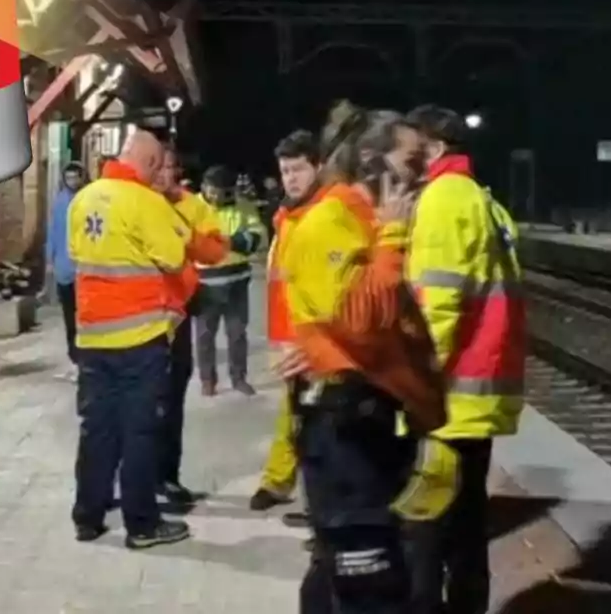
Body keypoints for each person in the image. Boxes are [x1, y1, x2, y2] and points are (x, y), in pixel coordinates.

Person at [278, 101, 457, 614]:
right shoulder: (332, 223)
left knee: (351, 573)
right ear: (372, 163)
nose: (422, 176)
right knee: (370, 586)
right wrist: (393, 238)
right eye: (411, 162)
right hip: (345, 434)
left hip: (371, 426)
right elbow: (360, 321)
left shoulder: (358, 224)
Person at [404, 104, 528, 614]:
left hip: (446, 400)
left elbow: (440, 304)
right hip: (476, 395)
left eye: (411, 149)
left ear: (432, 148)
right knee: (466, 531)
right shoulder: (484, 200)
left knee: (424, 534)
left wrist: (411, 382)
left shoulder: (443, 200)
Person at [68, 128, 193, 550]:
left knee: (96, 429)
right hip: (140, 339)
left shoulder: (84, 198)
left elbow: (75, 254)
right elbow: (174, 257)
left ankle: (88, 516)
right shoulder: (146, 202)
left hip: (92, 340)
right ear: (153, 164)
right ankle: (142, 525)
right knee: (140, 431)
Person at [250, 130, 323, 515]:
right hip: (291, 337)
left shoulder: (321, 216)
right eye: (285, 171)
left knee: (314, 421)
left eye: (298, 169)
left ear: (319, 167)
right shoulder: (287, 216)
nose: (291, 178)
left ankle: (317, 504)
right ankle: (280, 481)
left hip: (315, 341)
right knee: (294, 412)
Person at [153, 145, 229, 507]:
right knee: (144, 405)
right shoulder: (137, 202)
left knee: (172, 402)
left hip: (178, 317)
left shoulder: (192, 205)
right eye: (157, 167)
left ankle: (167, 477)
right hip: (143, 318)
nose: (163, 174)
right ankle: (140, 480)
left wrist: (185, 235)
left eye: (169, 167)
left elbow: (217, 249)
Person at [194, 164, 267, 396]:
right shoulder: (191, 208)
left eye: (226, 192)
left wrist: (231, 243)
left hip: (237, 282)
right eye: (216, 191)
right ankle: (208, 380)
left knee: (237, 334)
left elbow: (257, 237)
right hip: (205, 285)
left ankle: (239, 378)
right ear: (205, 187)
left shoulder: (243, 207)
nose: (221, 196)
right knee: (205, 336)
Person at [46, 161, 86, 381]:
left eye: (75, 177)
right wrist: (49, 258)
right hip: (64, 269)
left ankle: (84, 363)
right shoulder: (59, 201)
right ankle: (74, 360)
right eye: (68, 177)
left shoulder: (87, 199)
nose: (72, 181)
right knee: (69, 319)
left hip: (82, 269)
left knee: (84, 319)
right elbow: (52, 230)